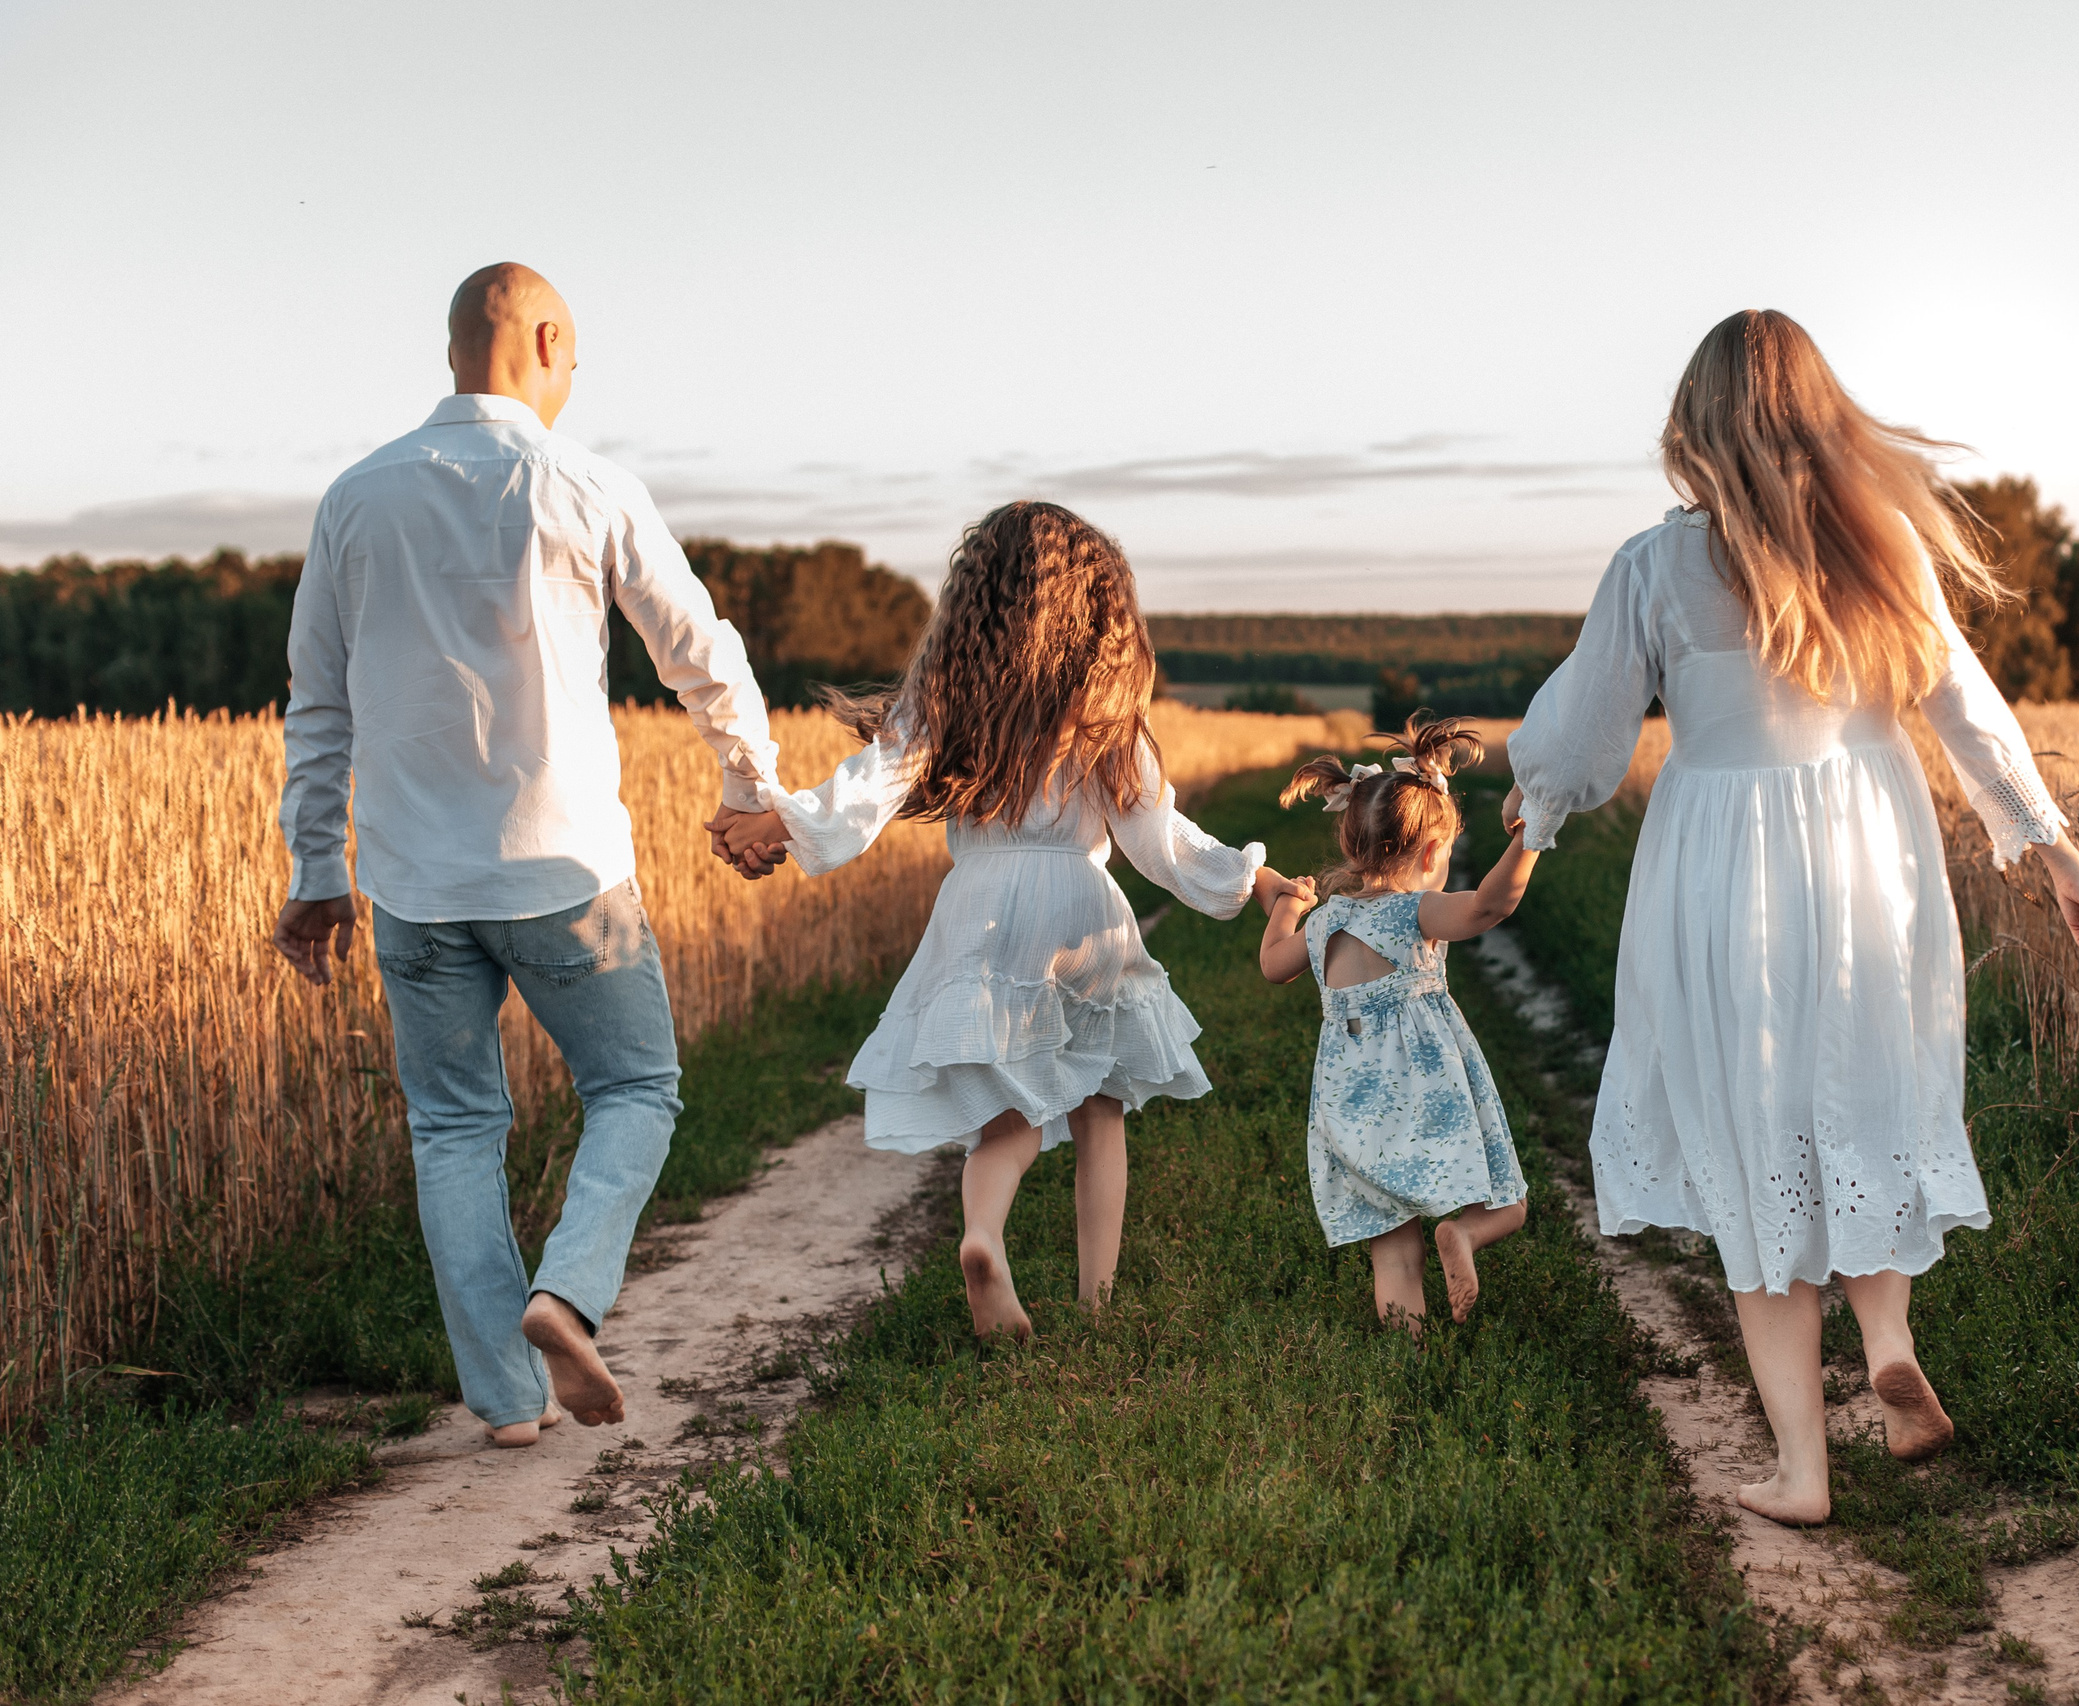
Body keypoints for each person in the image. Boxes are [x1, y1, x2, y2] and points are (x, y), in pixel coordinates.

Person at [1503, 310, 2079, 1526]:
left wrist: (1533, 818)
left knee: (1751, 1123)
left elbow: (1578, 739)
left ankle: (1801, 1468)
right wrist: (2058, 854)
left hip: (1716, 856)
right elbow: (1967, 707)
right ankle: (1885, 1332)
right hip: (1866, 842)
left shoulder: (1653, 564)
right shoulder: (1878, 541)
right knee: (1860, 1086)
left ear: (1694, 423)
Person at [273, 263, 782, 1447]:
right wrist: (750, 791)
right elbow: (701, 652)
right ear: (545, 338)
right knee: (636, 1088)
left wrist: (315, 869)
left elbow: (318, 703)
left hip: (410, 883)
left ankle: (504, 1401)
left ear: (456, 348)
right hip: (566, 876)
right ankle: (567, 1294)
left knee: (453, 1127)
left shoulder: (353, 498)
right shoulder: (586, 483)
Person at [711, 500, 1310, 1339]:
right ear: (1102, 611)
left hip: (982, 908)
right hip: (1082, 913)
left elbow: (867, 787)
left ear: (975, 600)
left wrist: (772, 821)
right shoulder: (1104, 713)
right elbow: (1161, 839)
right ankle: (1097, 1303)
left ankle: (983, 1236)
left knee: (1010, 1111)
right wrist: (1260, 880)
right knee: (1100, 1108)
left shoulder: (948, 698)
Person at [1257, 716, 1537, 1333]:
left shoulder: (1326, 921)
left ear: (1351, 845)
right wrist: (1531, 836)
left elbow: (1274, 965)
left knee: (1392, 1246)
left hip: (1350, 1098)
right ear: (1434, 851)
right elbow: (1493, 903)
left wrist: (1285, 906)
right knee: (1509, 1203)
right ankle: (1462, 1234)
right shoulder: (1415, 912)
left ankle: (1405, 1366)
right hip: (1423, 1087)